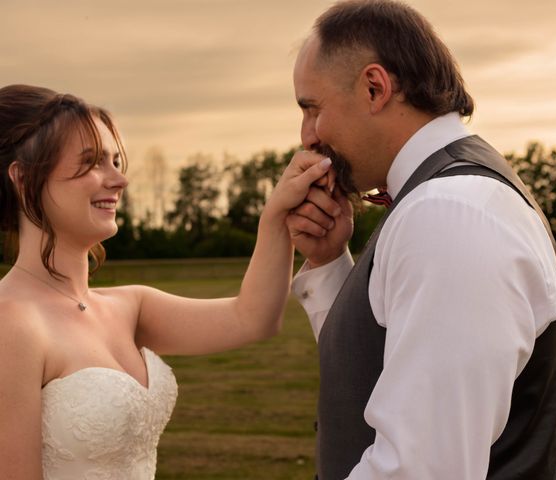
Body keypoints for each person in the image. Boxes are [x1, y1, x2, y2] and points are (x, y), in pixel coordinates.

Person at [285, 1, 556, 479]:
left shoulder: (449, 212)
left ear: (375, 88)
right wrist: (331, 263)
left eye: (313, 109)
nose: (307, 136)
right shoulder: (440, 199)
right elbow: (375, 372)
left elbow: (422, 467)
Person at [0, 84, 337, 479]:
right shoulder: (11, 323)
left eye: (115, 161)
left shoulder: (131, 306)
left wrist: (277, 214)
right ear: (23, 180)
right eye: (92, 163)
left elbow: (253, 318)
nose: (119, 180)